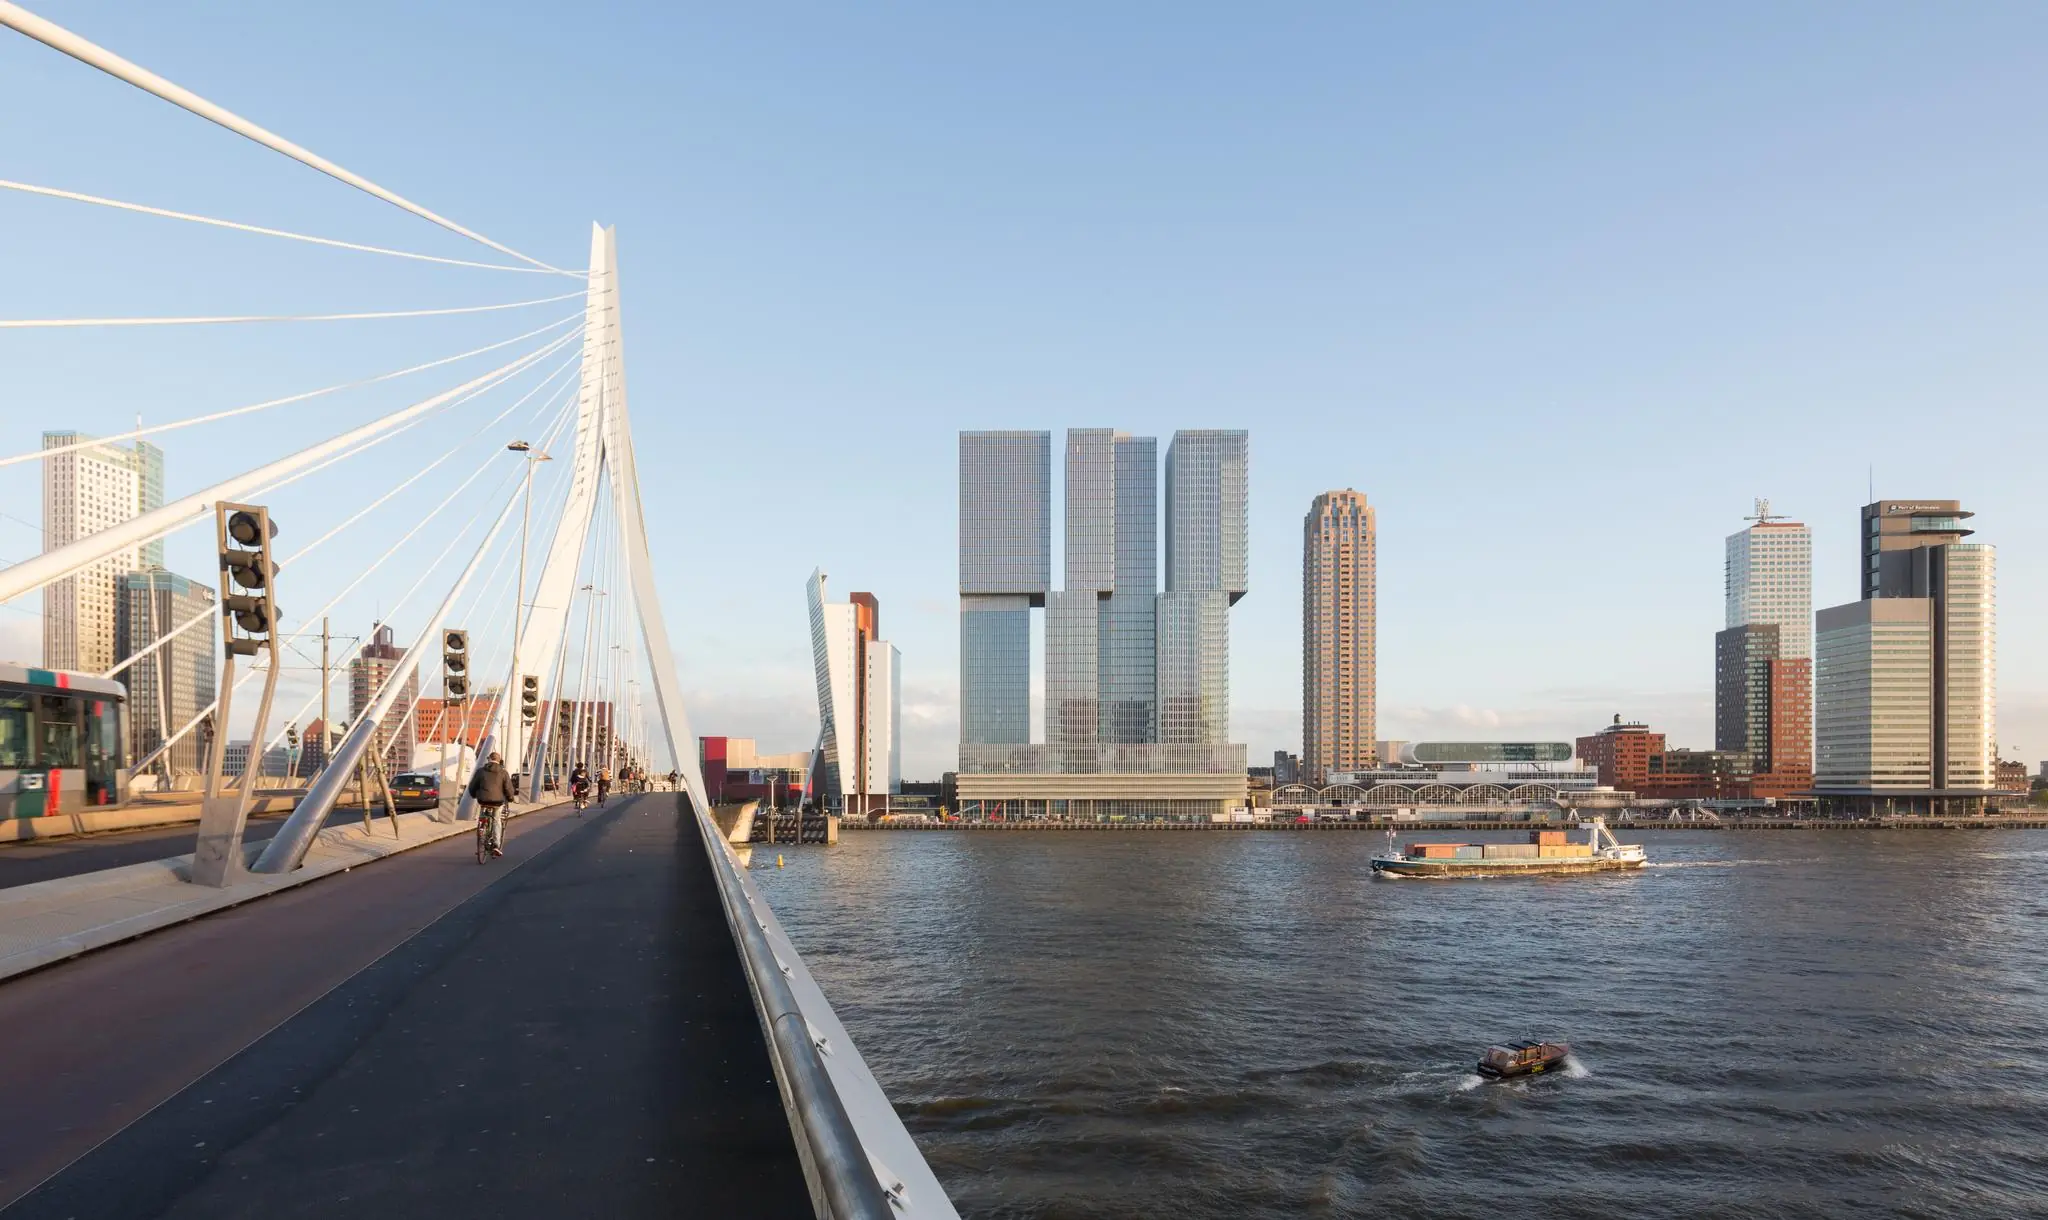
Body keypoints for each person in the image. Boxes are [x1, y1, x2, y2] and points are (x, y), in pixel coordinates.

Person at [468, 751, 516, 857]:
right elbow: (508, 788)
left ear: (489, 759)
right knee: (496, 820)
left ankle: (481, 827)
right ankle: (496, 845)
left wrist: (473, 795)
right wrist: (510, 798)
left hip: (483, 800)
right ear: (499, 761)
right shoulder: (503, 772)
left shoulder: (480, 771)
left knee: (483, 813)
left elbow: (472, 786)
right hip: (497, 802)